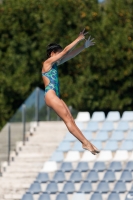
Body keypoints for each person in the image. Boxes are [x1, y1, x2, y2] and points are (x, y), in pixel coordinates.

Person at [42, 29, 100, 155]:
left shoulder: (54, 65)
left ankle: (86, 142)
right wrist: (78, 39)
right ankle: (85, 143)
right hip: (50, 94)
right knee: (68, 120)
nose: (61, 55)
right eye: (58, 53)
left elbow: (70, 54)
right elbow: (66, 51)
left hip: (55, 95)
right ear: (52, 53)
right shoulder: (47, 63)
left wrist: (83, 47)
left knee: (70, 119)